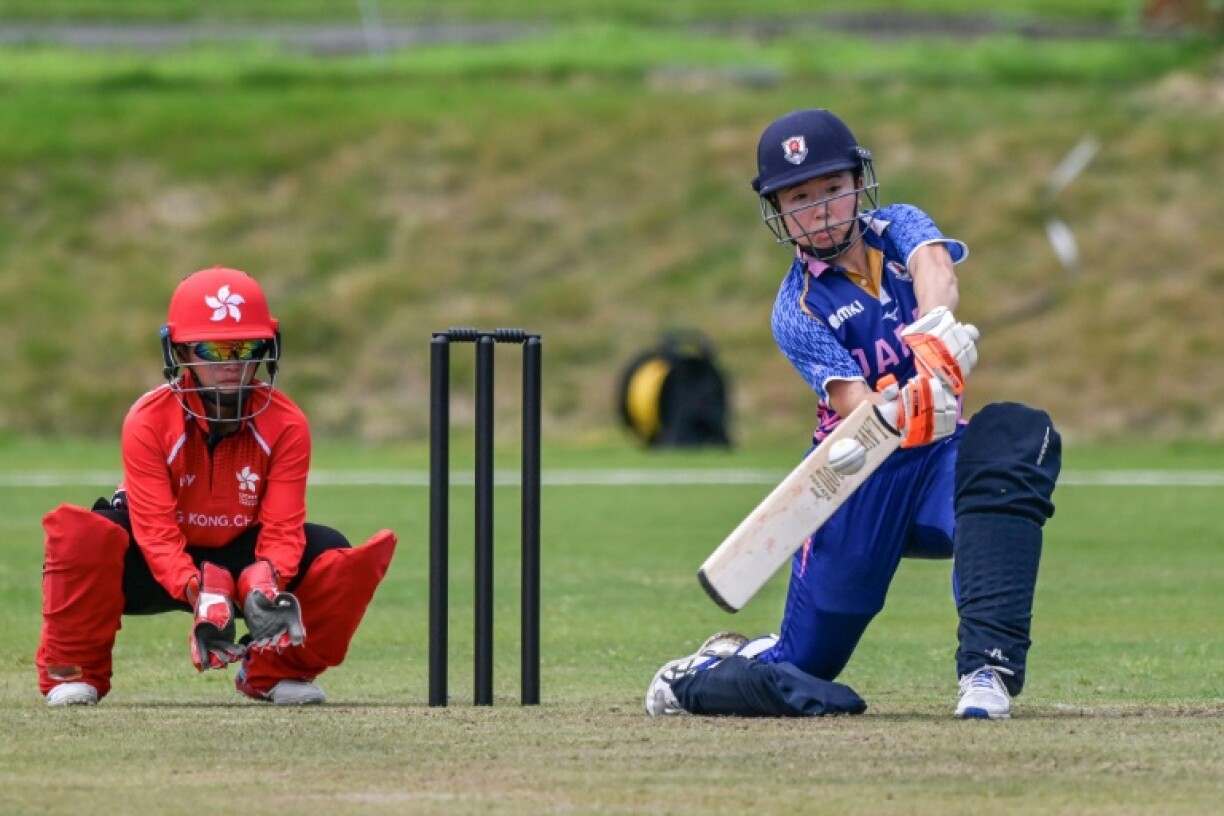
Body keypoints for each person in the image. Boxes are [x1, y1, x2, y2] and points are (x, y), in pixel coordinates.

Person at [645, 109, 1061, 720]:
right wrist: (910, 401)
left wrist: (933, 338)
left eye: (833, 189)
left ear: (857, 184)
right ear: (779, 212)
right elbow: (855, 407)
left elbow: (936, 270)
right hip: (854, 479)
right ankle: (696, 679)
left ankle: (985, 672)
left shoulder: (898, 225)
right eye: (800, 198)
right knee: (807, 666)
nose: (821, 208)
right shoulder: (797, 309)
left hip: (940, 461)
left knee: (1016, 440)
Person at [36, 266, 398, 707]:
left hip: (244, 558)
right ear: (181, 352)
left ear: (267, 348)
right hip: (158, 560)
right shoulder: (147, 420)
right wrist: (197, 589)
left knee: (333, 552)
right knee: (83, 534)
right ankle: (74, 672)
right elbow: (154, 530)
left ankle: (274, 672)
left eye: (245, 347)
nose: (231, 364)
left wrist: (264, 585)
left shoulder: (287, 423)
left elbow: (283, 528)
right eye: (211, 349)